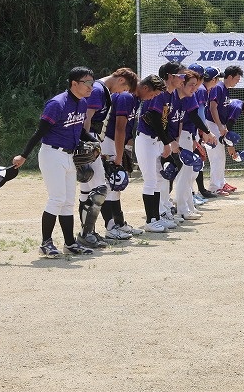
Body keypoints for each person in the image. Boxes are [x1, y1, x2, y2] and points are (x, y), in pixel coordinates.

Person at [11, 67, 100, 257]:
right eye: (87, 83)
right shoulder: (57, 104)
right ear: (74, 83)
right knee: (57, 199)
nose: (91, 87)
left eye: (92, 83)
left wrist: (95, 142)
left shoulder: (82, 103)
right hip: (52, 154)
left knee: (67, 202)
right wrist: (23, 155)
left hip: (69, 156)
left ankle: (70, 244)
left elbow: (79, 131)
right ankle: (46, 243)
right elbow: (40, 131)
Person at [76, 67, 139, 248]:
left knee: (87, 189)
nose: (122, 92)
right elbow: (86, 118)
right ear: (121, 80)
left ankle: (88, 233)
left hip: (92, 139)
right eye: (124, 88)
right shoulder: (98, 89)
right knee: (99, 187)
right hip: (89, 139)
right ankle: (87, 233)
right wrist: (86, 145)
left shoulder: (102, 89)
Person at [100, 74, 165, 239]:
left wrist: (126, 147)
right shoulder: (126, 97)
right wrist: (119, 156)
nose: (152, 98)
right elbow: (119, 128)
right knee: (110, 185)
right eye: (153, 94)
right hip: (108, 142)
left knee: (116, 187)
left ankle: (119, 224)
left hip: (115, 143)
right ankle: (110, 227)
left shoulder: (136, 99)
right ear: (145, 88)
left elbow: (127, 128)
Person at [135, 61, 185, 233]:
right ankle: (150, 221)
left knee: (158, 180)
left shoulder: (170, 94)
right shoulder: (160, 93)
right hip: (146, 139)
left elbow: (164, 122)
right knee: (151, 181)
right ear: (170, 76)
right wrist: (166, 142)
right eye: (181, 75)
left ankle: (157, 217)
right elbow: (154, 118)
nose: (183, 79)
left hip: (155, 140)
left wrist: (167, 141)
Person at [169, 69, 217, 221]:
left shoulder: (188, 94)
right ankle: (182, 209)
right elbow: (194, 116)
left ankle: (188, 206)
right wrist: (207, 132)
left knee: (188, 174)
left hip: (187, 135)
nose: (195, 88)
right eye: (192, 84)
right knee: (184, 174)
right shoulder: (178, 95)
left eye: (196, 84)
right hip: (181, 136)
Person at [205, 65, 244, 195]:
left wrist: (223, 126)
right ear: (230, 77)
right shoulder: (218, 87)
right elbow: (212, 108)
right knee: (216, 157)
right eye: (237, 78)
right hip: (212, 124)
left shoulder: (225, 89)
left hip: (217, 125)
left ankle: (221, 183)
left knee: (220, 157)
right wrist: (220, 126)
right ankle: (214, 187)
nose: (238, 81)